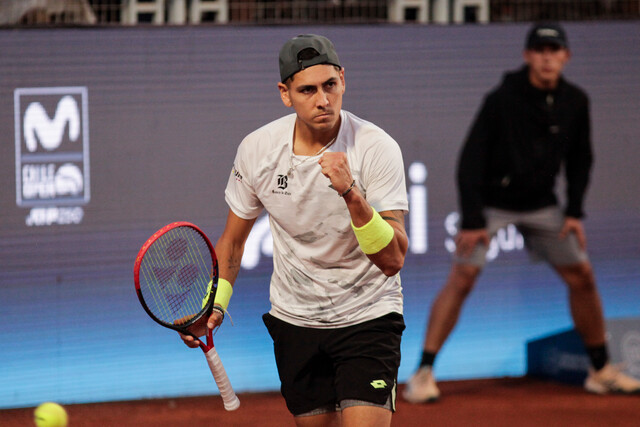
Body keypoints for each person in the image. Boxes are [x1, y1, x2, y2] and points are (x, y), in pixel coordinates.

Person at [403, 22, 640, 403]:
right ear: (529, 56)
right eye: (540, 50)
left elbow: (581, 159)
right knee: (462, 277)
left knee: (583, 275)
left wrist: (575, 212)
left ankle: (601, 371)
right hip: (493, 205)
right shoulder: (503, 98)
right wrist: (473, 219)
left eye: (554, 50)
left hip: (543, 206)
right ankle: (423, 373)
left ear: (566, 56)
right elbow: (471, 160)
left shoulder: (576, 101)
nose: (547, 57)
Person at [181, 34, 410, 427]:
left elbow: (392, 259)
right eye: (307, 90)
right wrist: (213, 304)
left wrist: (351, 193)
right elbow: (233, 243)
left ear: (343, 80)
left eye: (330, 86)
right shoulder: (258, 150)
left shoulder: (376, 148)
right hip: (296, 321)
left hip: (368, 317)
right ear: (285, 94)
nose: (323, 100)